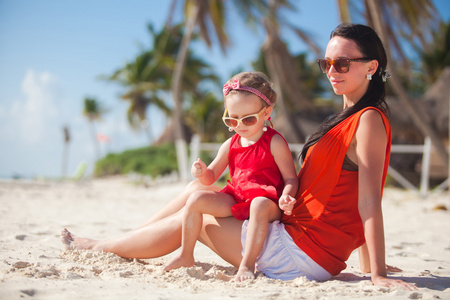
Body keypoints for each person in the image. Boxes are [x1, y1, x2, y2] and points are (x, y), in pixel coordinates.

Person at [61, 23, 415, 289]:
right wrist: (368, 264)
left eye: (342, 63)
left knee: (195, 214)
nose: (331, 72)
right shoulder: (346, 118)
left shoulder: (368, 120)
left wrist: (377, 273)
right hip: (296, 235)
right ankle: (128, 237)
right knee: (195, 193)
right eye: (327, 63)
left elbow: (369, 199)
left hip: (301, 254)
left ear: (371, 67)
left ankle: (104, 246)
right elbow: (347, 196)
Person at [162, 72, 298, 282]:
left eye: (248, 119)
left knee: (258, 204)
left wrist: (287, 196)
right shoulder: (230, 144)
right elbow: (211, 178)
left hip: (268, 203)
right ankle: (185, 255)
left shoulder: (274, 142)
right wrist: (202, 172)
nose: (240, 125)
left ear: (266, 112)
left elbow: (291, 178)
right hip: (237, 197)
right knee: (196, 199)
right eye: (232, 119)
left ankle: (247, 264)